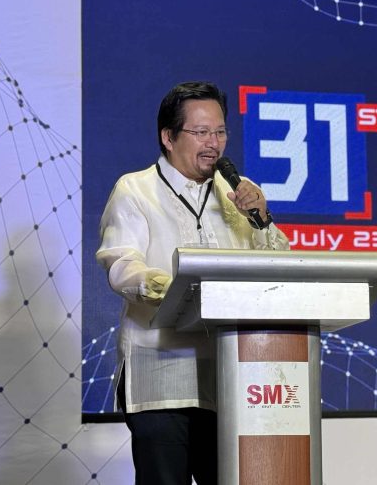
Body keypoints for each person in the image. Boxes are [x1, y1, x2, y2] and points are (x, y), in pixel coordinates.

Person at [96, 81, 290, 484]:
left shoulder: (239, 191)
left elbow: (278, 265)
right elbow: (121, 264)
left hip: (229, 372)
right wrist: (174, 291)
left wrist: (262, 220)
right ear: (168, 137)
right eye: (200, 132)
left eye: (219, 132)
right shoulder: (136, 189)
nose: (213, 143)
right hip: (160, 368)